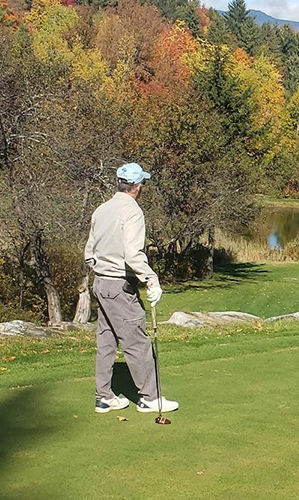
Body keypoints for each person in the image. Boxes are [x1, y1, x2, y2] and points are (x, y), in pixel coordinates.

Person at [84, 163, 179, 414]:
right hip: (119, 285)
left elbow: (89, 253)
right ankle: (150, 398)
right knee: (137, 341)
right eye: (142, 184)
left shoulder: (101, 209)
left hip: (101, 283)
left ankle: (104, 396)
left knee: (106, 341)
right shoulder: (133, 212)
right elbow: (133, 254)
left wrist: (102, 270)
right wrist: (151, 280)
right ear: (137, 187)